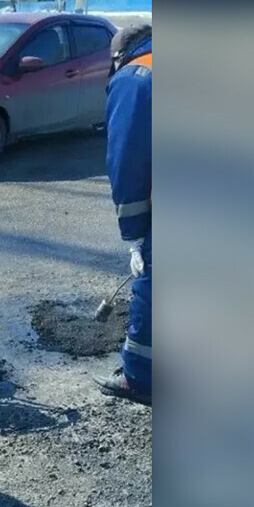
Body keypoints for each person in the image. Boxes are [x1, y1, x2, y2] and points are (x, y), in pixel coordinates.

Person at [93, 25, 152, 405]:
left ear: (120, 55)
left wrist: (136, 237)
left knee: (154, 286)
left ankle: (141, 377)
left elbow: (126, 159)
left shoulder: (135, 77)